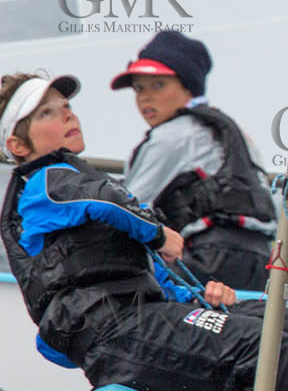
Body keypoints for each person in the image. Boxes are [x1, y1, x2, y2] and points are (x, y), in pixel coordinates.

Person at [0, 72, 288, 391]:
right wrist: (159, 234)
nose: (68, 114)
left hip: (144, 317)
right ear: (18, 145)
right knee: (265, 347)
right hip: (115, 334)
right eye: (47, 113)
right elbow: (105, 201)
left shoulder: (74, 182)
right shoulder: (45, 184)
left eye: (66, 106)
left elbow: (144, 269)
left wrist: (200, 301)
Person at [112, 30, 277, 290]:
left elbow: (125, 207)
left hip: (208, 261)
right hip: (261, 263)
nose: (145, 97)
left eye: (158, 85)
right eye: (139, 88)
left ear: (188, 86)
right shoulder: (236, 134)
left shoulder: (171, 136)